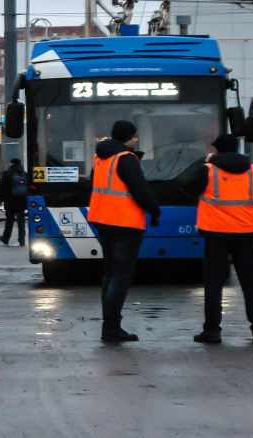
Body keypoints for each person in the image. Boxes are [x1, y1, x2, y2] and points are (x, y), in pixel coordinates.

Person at [185, 134, 253, 344]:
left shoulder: (208, 170)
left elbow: (188, 188)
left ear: (217, 150)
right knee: (251, 283)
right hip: (245, 235)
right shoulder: (252, 171)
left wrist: (206, 163)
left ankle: (212, 330)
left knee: (214, 282)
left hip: (216, 235)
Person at [87, 120, 161, 343]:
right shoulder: (126, 159)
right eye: (135, 136)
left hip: (102, 220)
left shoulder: (100, 157)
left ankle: (109, 326)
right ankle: (111, 328)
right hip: (124, 224)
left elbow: (93, 185)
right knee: (121, 276)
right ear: (127, 137)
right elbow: (141, 189)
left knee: (110, 275)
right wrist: (155, 212)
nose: (137, 139)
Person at [0, 158, 29, 246]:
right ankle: (22, 239)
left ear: (11, 163)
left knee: (9, 221)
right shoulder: (25, 174)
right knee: (21, 221)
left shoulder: (7, 173)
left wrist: (0, 199)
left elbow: (2, 187)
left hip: (10, 200)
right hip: (21, 201)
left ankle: (6, 238)